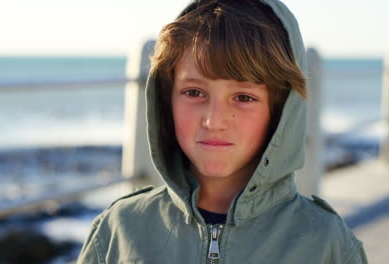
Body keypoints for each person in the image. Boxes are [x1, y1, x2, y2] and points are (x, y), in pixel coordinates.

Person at [77, 0, 368, 263]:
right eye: (194, 92)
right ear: (166, 100)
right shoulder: (121, 229)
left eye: (243, 98)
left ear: (280, 111)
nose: (214, 121)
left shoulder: (324, 241)